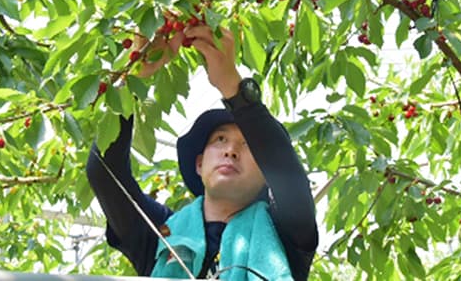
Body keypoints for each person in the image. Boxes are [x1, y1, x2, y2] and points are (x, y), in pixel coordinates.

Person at [86, 24, 319, 280]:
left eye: (248, 146)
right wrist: (134, 80)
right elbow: (104, 172)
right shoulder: (161, 235)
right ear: (199, 163)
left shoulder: (284, 232)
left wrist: (233, 87)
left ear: (267, 171)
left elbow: (291, 180)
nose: (231, 150)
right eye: (220, 139)